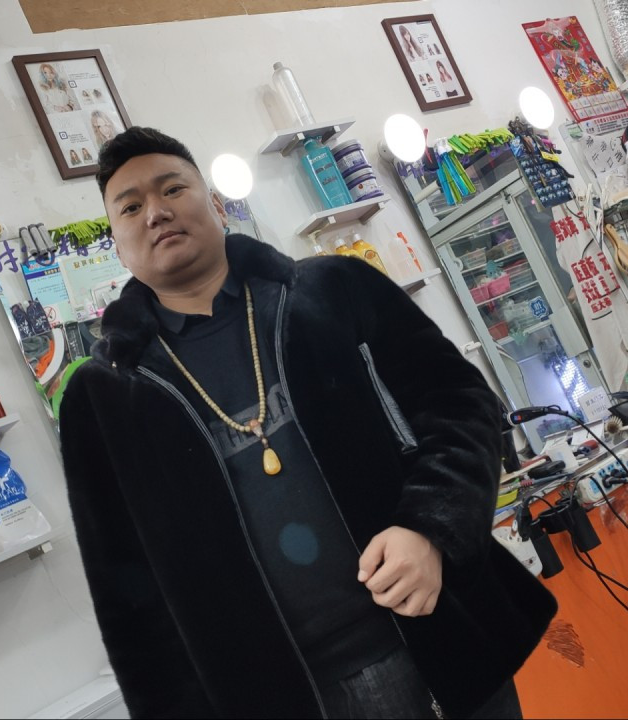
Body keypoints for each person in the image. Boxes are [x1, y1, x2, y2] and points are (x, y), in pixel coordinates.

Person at [59, 126, 557, 719]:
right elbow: (126, 594)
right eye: (130, 206)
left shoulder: (333, 289)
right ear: (117, 247)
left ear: (216, 204)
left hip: (441, 637)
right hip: (283, 701)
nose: (156, 212)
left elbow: (461, 403)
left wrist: (430, 528)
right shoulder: (102, 397)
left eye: (172, 189)